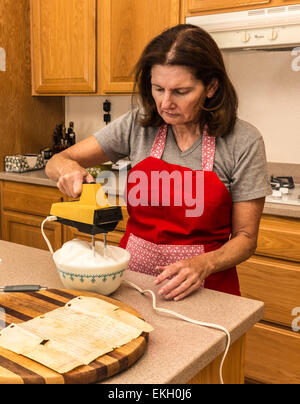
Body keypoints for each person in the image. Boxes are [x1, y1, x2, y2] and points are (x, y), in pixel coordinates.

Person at [46, 24, 272, 301]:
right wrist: (67, 167)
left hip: (206, 289)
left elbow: (246, 238)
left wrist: (203, 265)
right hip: (131, 282)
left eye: (180, 91)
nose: (165, 103)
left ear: (211, 86)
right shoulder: (136, 126)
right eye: (158, 88)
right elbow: (57, 160)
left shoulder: (243, 141)